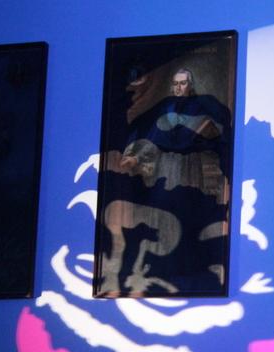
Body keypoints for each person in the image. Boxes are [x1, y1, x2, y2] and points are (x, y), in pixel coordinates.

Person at [99, 67, 231, 296]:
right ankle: (162, 270)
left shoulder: (204, 104)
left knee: (191, 213)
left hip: (192, 168)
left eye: (183, 83)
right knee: (164, 214)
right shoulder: (165, 106)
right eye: (176, 84)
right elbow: (147, 133)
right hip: (167, 168)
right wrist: (135, 156)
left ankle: (191, 269)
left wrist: (200, 129)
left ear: (190, 85)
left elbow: (221, 127)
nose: (179, 88)